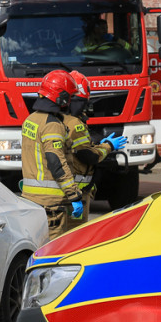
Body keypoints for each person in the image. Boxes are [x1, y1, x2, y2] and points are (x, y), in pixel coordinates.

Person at [21, 70, 85, 240]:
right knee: (54, 252)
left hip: (31, 198)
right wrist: (74, 194)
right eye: (70, 97)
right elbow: (55, 161)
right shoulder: (52, 125)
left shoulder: (31, 119)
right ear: (62, 98)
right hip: (52, 203)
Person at [62, 71, 125, 228]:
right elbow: (88, 156)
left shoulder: (56, 119)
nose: (84, 108)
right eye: (83, 102)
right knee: (74, 234)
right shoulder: (75, 124)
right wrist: (108, 146)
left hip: (63, 189)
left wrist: (96, 145)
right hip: (77, 191)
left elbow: (77, 149)